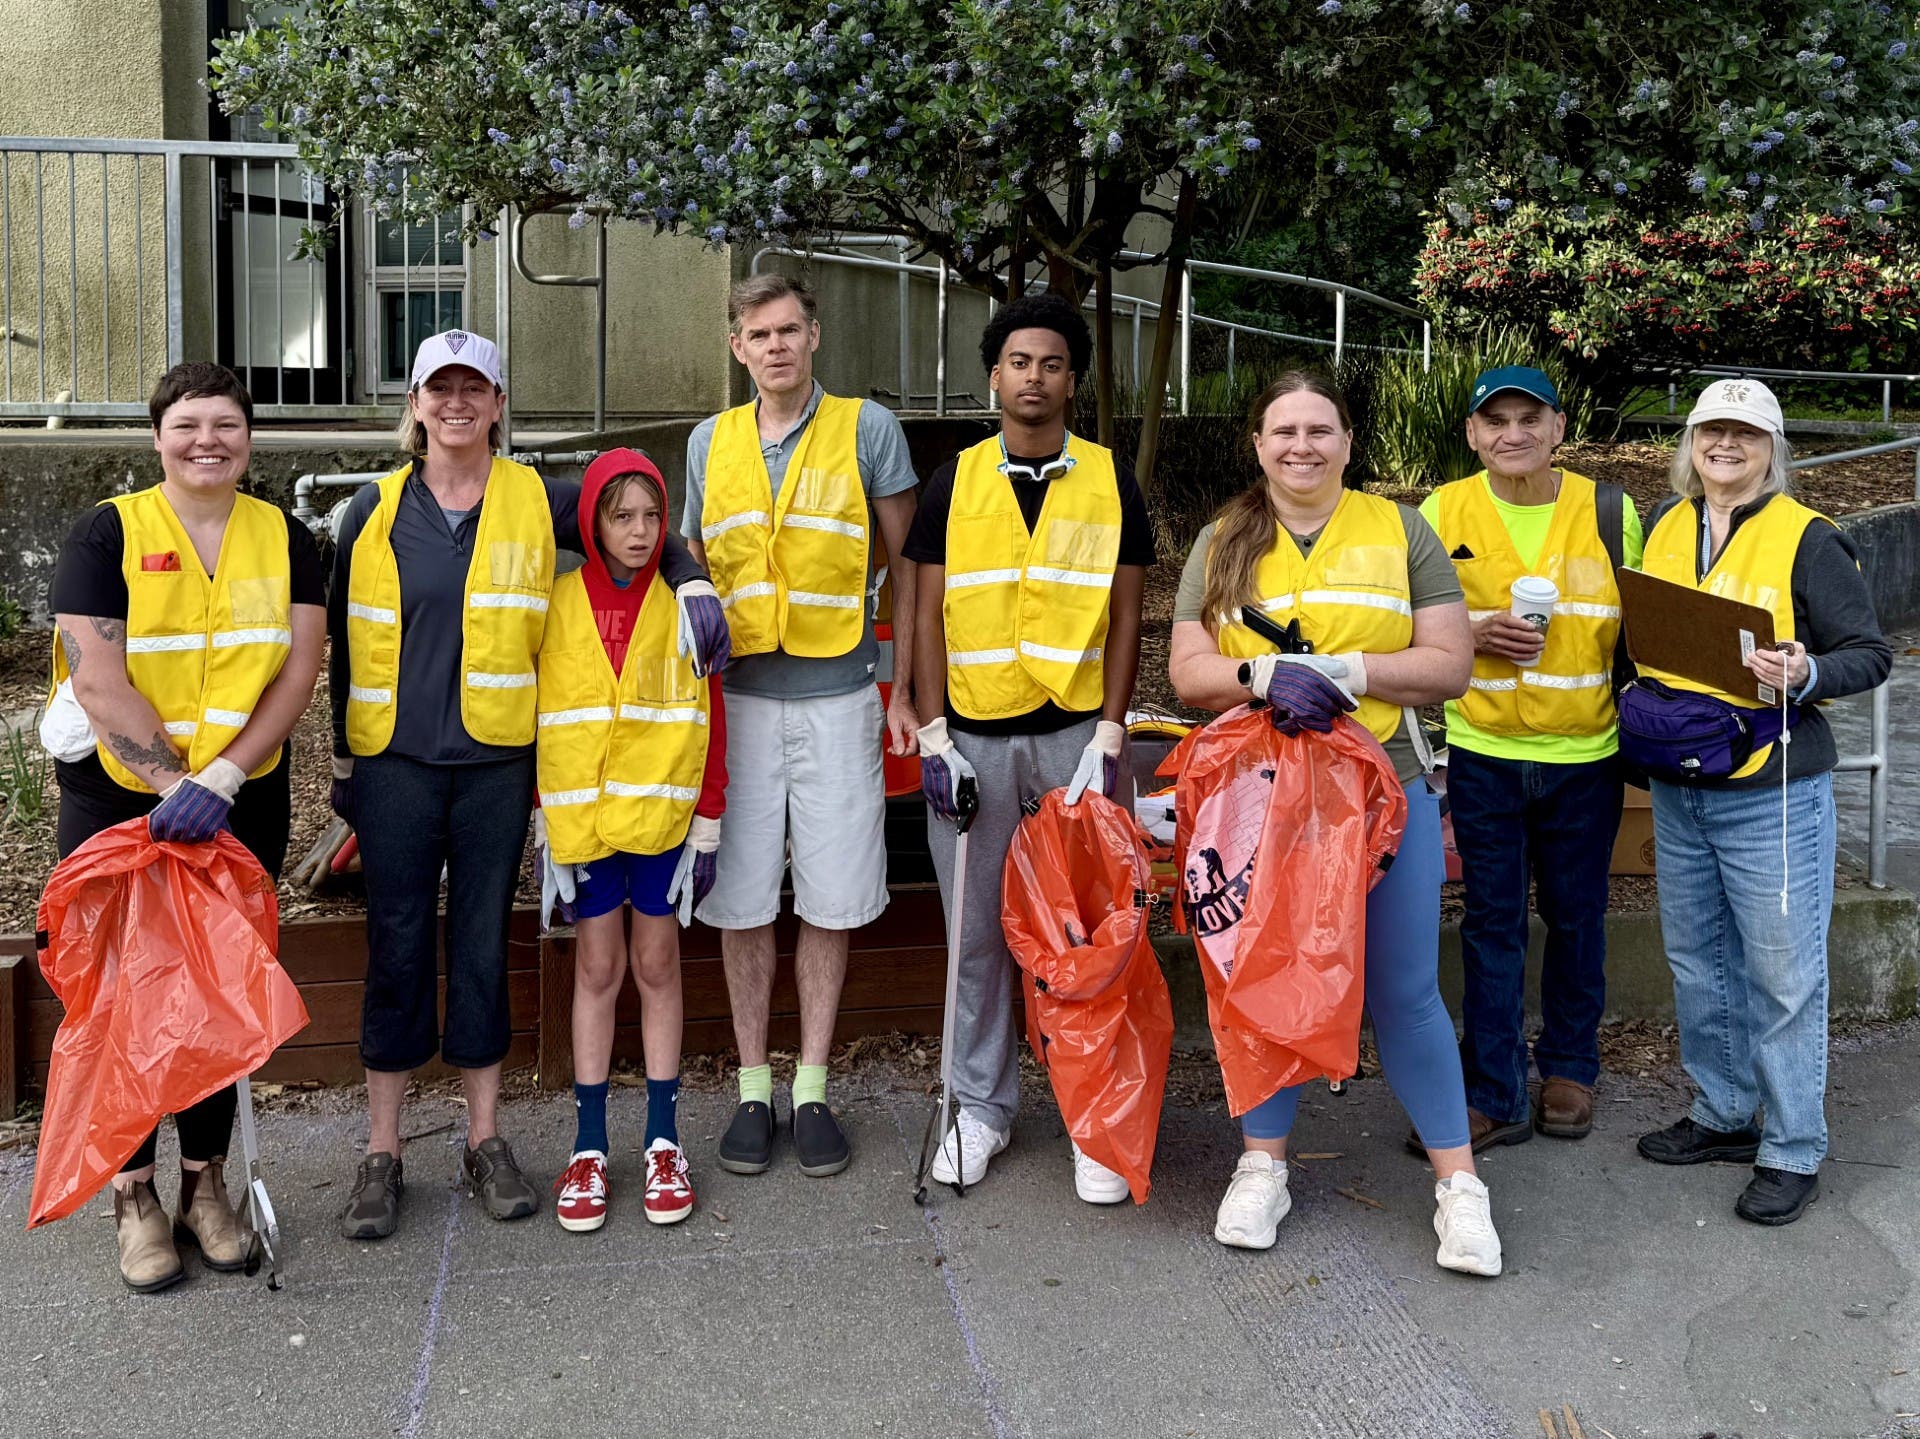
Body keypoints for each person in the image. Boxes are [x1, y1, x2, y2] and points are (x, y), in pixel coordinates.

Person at [330, 330, 725, 1240]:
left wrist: (692, 580)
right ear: (415, 403)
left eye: (475, 387)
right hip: (393, 764)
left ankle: (485, 1138)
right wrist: (344, 766)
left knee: (479, 945)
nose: (457, 402)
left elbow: (633, 516)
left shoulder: (537, 499)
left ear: (499, 404)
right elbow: (346, 641)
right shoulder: (370, 509)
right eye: (440, 388)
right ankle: (382, 1152)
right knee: (395, 947)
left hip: (497, 763)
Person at [1167, 370, 1503, 1276]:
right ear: (1258, 444)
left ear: (1349, 443)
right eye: (1284, 431)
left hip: (1383, 790)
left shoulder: (1401, 529)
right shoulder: (1222, 540)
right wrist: (1260, 676)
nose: (1302, 446)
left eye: (1320, 430)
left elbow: (1450, 663)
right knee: (1264, 978)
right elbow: (1189, 670)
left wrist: (1349, 671)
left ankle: (1460, 1187)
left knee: (1405, 990)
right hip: (1260, 796)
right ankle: (1262, 1166)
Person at [47, 362, 325, 1290]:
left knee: (216, 987)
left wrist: (224, 776)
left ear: (250, 437)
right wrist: (171, 783)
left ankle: (206, 1184)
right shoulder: (108, 532)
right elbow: (96, 675)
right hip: (121, 799)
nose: (209, 441)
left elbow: (298, 667)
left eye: (227, 425)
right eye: (188, 425)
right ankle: (133, 1193)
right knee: (121, 992)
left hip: (240, 794)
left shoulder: (285, 535)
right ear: (158, 437)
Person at [906, 291, 1154, 1201]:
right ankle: (979, 1107)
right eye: (1019, 363)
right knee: (973, 937)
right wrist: (933, 732)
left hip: (1073, 741)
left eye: (1052, 364)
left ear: (1073, 380)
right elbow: (926, 611)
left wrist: (1112, 729)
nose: (1035, 378)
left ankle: (1094, 1116)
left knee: (1084, 935)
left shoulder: (1110, 478)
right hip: (973, 739)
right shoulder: (954, 479)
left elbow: (1126, 613)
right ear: (994, 377)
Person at [1631, 378, 1888, 1225]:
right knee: (1699, 960)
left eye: (1745, 433)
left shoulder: (1809, 537)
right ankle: (1723, 1111)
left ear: (1773, 449)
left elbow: (1869, 653)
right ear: (1691, 443)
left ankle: (1793, 1146)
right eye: (1712, 430)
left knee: (1783, 974)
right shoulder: (1665, 522)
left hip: (1772, 788)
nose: (1726, 445)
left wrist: (1806, 670)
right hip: (1681, 777)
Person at [683, 274, 921, 1179]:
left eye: (789, 330)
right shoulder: (709, 441)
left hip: (839, 696)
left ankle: (812, 1086)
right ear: (737, 348)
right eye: (759, 334)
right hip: (738, 701)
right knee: (740, 897)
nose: (776, 345)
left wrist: (903, 691)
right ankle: (754, 1087)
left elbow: (909, 570)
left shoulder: (868, 428)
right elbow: (694, 571)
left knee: (833, 892)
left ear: (814, 336)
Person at [1419, 366, 1642, 1148]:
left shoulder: (1610, 511)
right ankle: (1493, 1088)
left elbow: (1645, 627)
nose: (1512, 434)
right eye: (1495, 420)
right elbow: (1405, 621)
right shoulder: (1441, 511)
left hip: (1588, 754)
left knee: (1578, 915)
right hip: (1483, 751)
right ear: (1472, 433)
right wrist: (1471, 631)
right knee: (1492, 922)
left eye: (1529, 418)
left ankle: (1571, 1068)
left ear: (1558, 428)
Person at [540, 449, 727, 1232]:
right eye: (622, 516)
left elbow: (713, 716)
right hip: (584, 827)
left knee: (656, 964)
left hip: (660, 823)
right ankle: (588, 1145)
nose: (641, 531)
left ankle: (662, 1139)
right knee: (597, 967)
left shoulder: (686, 602)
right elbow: (541, 715)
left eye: (653, 515)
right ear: (593, 521)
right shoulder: (555, 602)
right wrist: (544, 824)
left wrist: (709, 822)